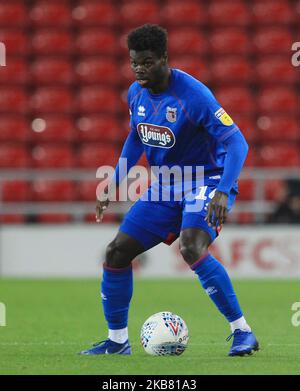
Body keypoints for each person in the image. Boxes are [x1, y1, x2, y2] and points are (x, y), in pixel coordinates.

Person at [80, 24, 259, 357]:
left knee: (191, 246)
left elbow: (237, 141)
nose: (139, 69)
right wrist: (116, 180)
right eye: (134, 62)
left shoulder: (194, 95)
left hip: (205, 179)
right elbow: (137, 136)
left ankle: (243, 333)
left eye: (147, 62)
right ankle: (117, 341)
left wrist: (221, 190)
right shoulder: (136, 92)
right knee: (116, 252)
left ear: (164, 58)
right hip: (166, 185)